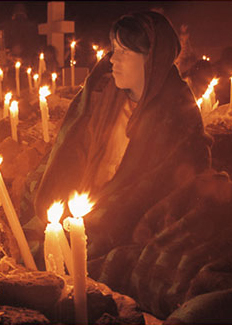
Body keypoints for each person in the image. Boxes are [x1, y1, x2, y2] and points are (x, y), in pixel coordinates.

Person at [20, 10, 212, 262]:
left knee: (101, 251)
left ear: (150, 60)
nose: (113, 60)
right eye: (114, 49)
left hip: (126, 213)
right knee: (36, 232)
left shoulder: (176, 110)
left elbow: (165, 182)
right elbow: (70, 150)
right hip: (85, 200)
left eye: (124, 52)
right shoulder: (102, 94)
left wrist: (110, 210)